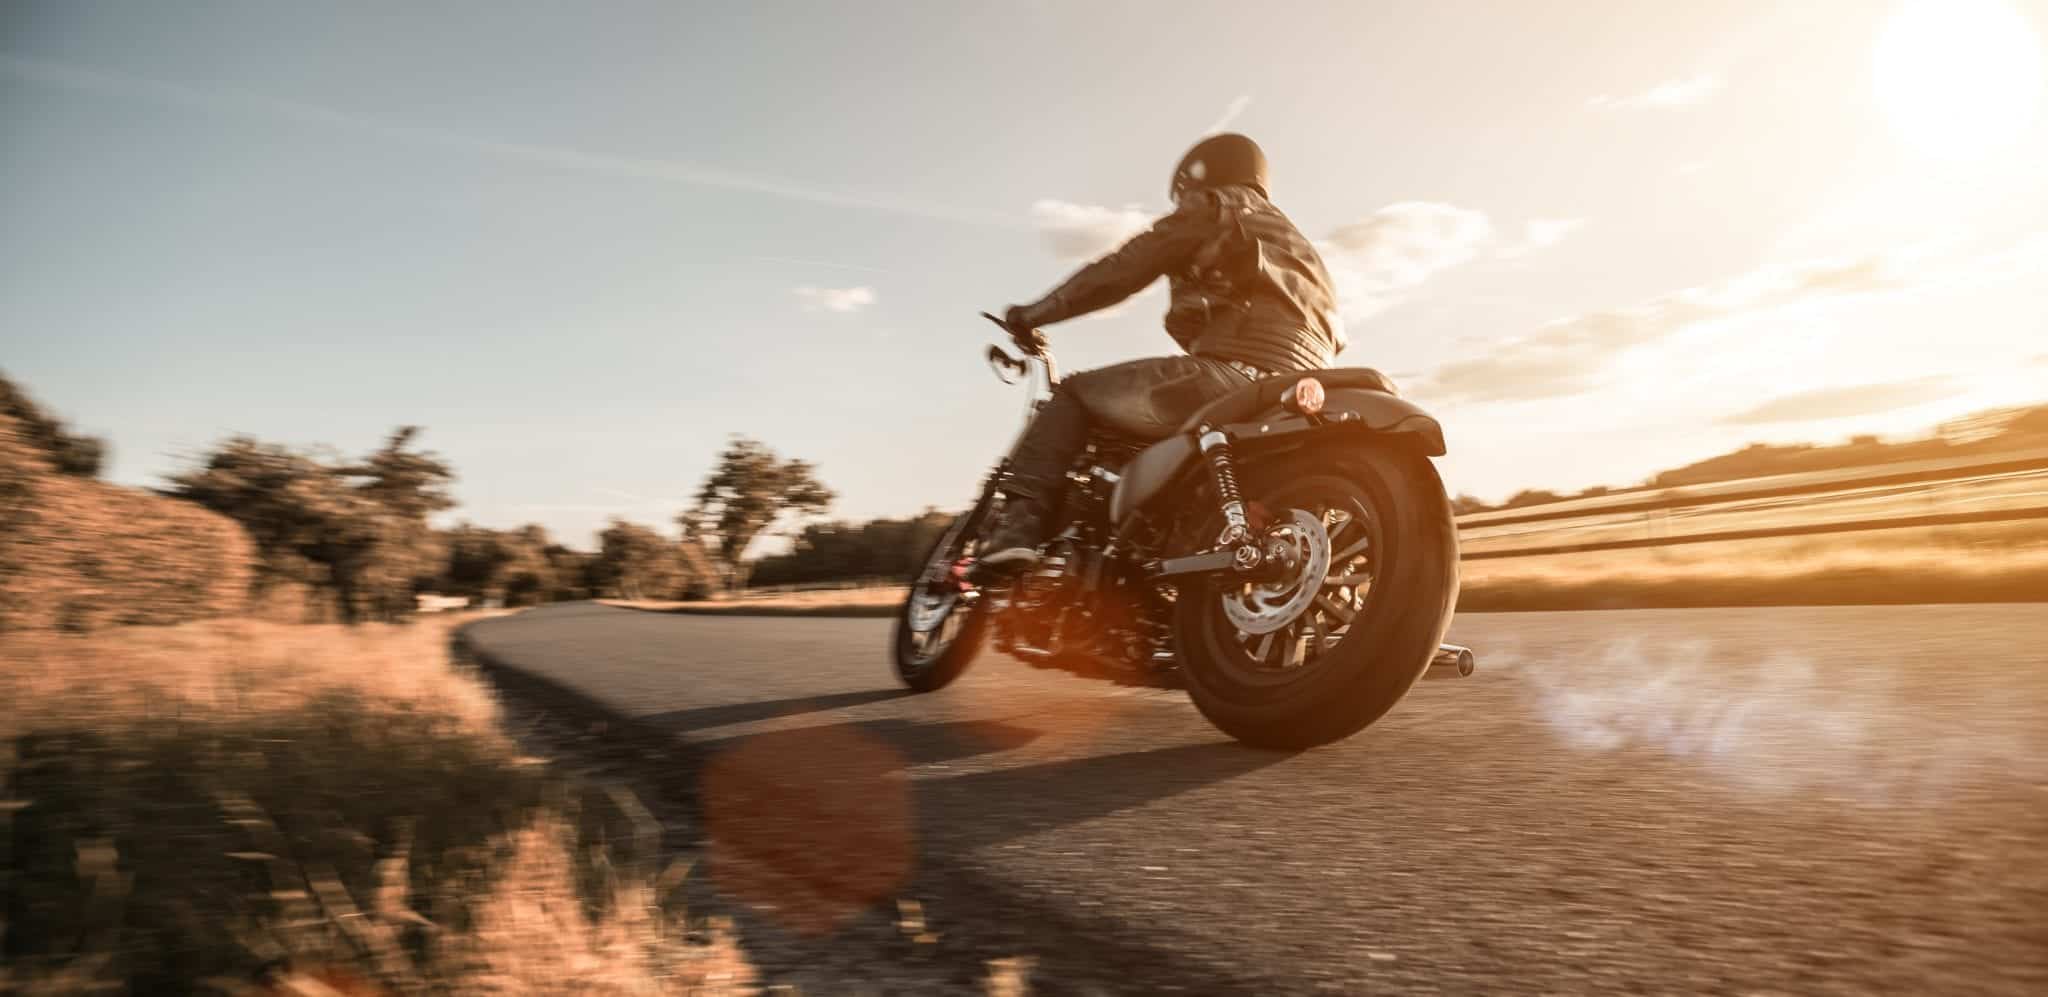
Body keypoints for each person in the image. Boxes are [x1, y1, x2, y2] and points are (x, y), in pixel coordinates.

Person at [979, 133, 1345, 570]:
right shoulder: (1303, 250)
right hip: (1295, 400)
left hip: (1232, 379)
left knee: (1076, 393)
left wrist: (1034, 314)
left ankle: (1019, 525)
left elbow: (1122, 271)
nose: (1182, 200)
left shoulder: (1219, 205)